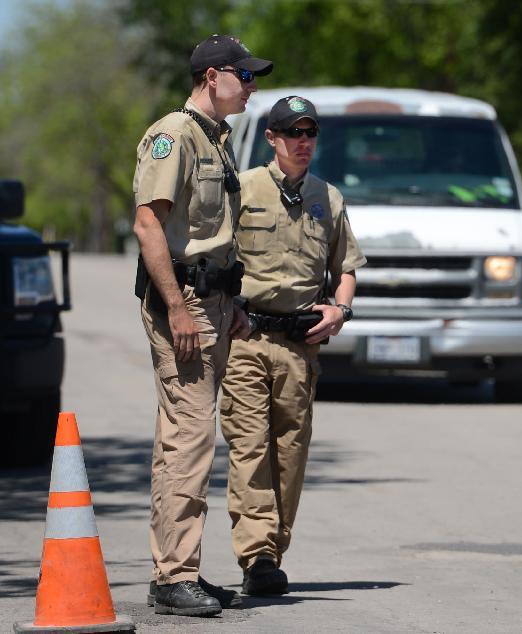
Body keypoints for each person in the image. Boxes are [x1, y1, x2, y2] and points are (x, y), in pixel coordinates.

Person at [132, 34, 271, 616]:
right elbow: (148, 226)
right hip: (183, 304)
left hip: (211, 303)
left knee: (182, 442)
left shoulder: (215, 138)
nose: (253, 86)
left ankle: (177, 569)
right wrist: (178, 307)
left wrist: (229, 302)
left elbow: (211, 234)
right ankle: (174, 576)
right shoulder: (175, 134)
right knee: (190, 442)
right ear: (213, 76)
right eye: (246, 75)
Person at [220, 96, 366, 595]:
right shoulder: (241, 189)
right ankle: (257, 555)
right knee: (250, 447)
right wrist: (228, 308)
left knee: (291, 452)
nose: (303, 142)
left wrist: (339, 310)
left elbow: (344, 270)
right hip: (247, 339)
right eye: (293, 133)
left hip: (301, 347)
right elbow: (217, 258)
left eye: (310, 133)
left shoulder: (329, 198)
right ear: (271, 138)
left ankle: (272, 551)